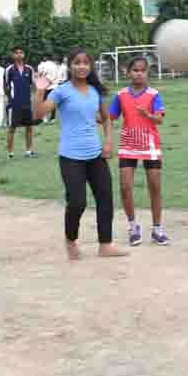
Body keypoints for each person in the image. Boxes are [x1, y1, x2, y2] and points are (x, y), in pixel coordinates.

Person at [33, 49, 126, 260]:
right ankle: (70, 240)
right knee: (77, 202)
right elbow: (38, 113)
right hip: (70, 156)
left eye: (85, 63)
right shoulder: (61, 91)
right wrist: (40, 90)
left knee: (105, 199)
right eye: (77, 63)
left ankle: (105, 245)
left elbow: (106, 118)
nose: (81, 66)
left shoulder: (95, 92)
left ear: (90, 66)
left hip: (95, 155)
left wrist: (109, 141)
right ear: (70, 66)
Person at [108, 55, 169, 246]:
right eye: (135, 70)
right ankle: (133, 227)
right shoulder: (121, 95)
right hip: (128, 145)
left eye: (143, 70)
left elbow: (159, 119)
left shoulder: (154, 94)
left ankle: (157, 228)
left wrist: (148, 115)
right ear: (128, 72)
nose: (139, 74)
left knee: (155, 187)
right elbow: (110, 116)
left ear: (147, 72)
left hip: (150, 145)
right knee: (125, 187)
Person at [5, 47, 37, 158]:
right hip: (14, 104)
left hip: (27, 103)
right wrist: (10, 100)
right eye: (16, 53)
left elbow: (33, 85)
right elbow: (6, 86)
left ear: (24, 55)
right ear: (13, 56)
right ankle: (10, 152)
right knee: (12, 128)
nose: (19, 55)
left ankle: (28, 151)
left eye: (21, 53)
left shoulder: (29, 69)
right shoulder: (9, 70)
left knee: (29, 127)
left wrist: (33, 98)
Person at [37, 56, 59, 123]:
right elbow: (57, 75)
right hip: (54, 85)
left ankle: (44, 117)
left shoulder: (42, 65)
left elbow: (40, 74)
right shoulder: (55, 65)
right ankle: (53, 118)